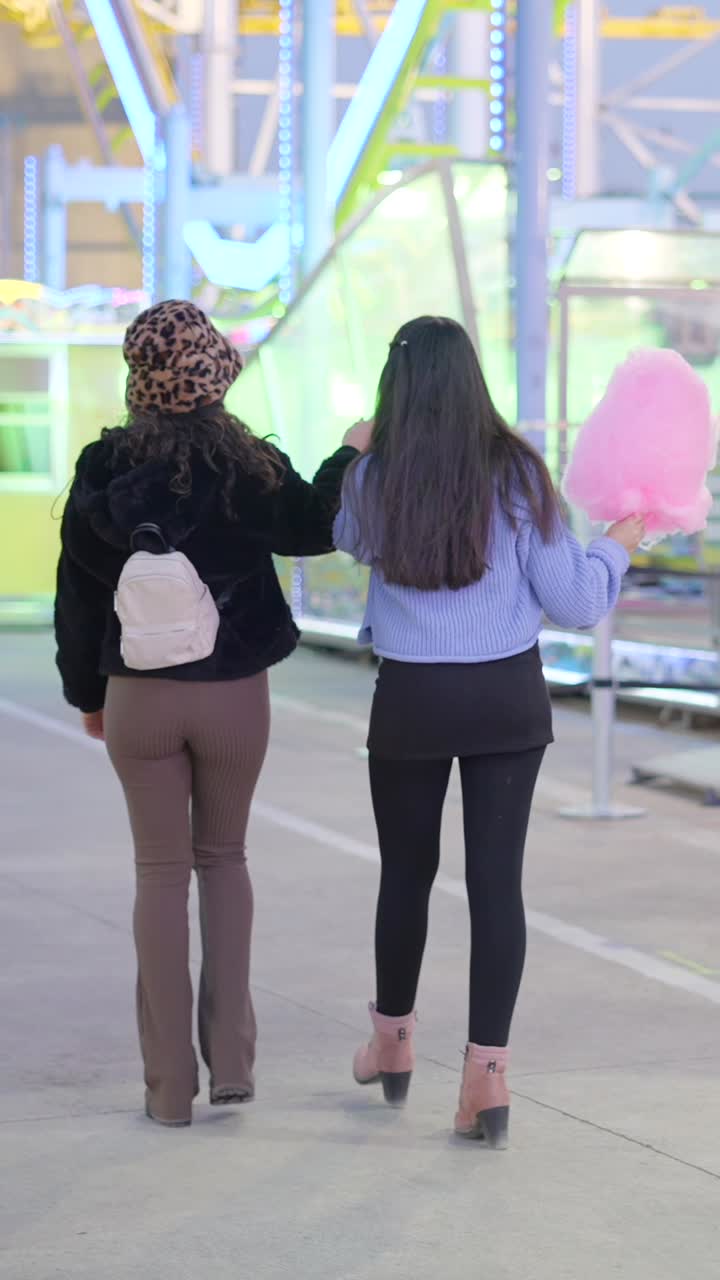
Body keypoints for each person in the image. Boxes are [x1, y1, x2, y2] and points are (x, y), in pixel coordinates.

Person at [333, 315, 644, 1148]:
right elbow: (575, 601)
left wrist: (355, 453)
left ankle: (392, 1043)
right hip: (506, 699)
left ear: (395, 387)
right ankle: (485, 1081)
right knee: (495, 885)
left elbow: (346, 540)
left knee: (405, 874)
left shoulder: (374, 478)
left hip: (411, 700)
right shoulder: (516, 473)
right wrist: (616, 547)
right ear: (473, 378)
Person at [55, 300, 365, 1127]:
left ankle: (166, 1092)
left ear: (137, 382)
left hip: (138, 696)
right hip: (233, 695)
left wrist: (89, 694)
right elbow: (315, 529)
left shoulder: (102, 469)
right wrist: (346, 454)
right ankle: (230, 1062)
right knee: (223, 861)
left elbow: (79, 594)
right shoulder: (248, 468)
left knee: (158, 877)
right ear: (218, 377)